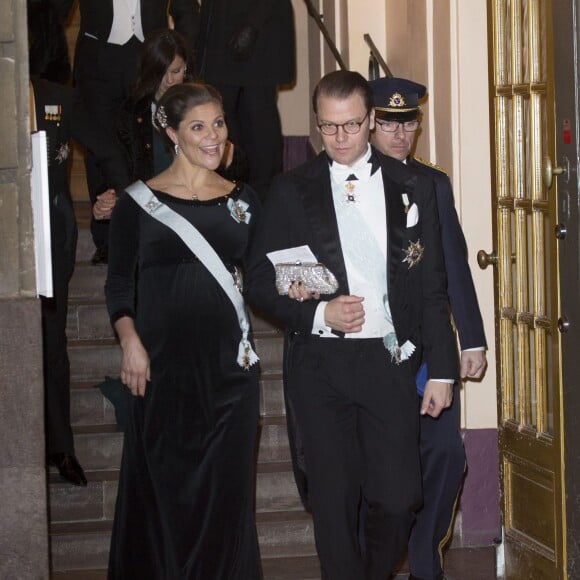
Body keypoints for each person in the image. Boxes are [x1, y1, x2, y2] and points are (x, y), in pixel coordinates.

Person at [246, 70, 458, 580]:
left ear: (371, 120)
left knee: (399, 497)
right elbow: (256, 280)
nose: (341, 139)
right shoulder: (290, 190)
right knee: (334, 501)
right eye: (328, 128)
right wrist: (319, 312)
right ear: (317, 125)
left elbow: (432, 285)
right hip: (322, 365)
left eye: (352, 126)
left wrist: (443, 371)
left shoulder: (414, 186)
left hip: (389, 362)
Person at [105, 82, 262, 579]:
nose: (213, 136)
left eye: (218, 123)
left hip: (229, 376)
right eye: (198, 126)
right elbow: (117, 285)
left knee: (227, 497)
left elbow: (263, 277)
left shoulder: (245, 200)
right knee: (167, 495)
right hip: (162, 371)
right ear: (172, 133)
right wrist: (130, 341)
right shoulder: (138, 203)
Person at [369, 76, 487, 580]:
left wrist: (473, 337)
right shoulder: (349, 183)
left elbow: (453, 267)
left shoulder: (433, 182)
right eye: (389, 123)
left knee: (445, 455)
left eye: (408, 122)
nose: (400, 133)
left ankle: (424, 563)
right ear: (370, 123)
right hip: (371, 354)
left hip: (429, 350)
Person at [28, 0, 131, 486]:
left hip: (51, 242)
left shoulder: (58, 100)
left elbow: (110, 151)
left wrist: (114, 198)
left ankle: (60, 447)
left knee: (52, 345)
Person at [56, 0, 199, 264]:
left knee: (148, 141)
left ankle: (153, 227)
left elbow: (186, 8)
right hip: (98, 57)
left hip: (148, 55)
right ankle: (108, 239)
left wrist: (181, 54)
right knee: (100, 148)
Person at [194, 0, 295, 199]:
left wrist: (253, 25)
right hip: (221, 24)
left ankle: (266, 194)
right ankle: (228, 186)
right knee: (221, 112)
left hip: (259, 27)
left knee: (258, 115)